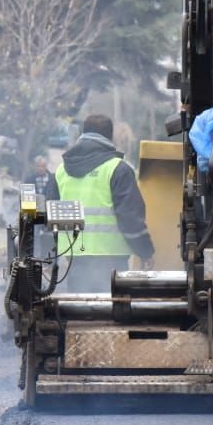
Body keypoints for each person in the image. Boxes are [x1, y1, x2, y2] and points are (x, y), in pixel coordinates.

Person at [54, 114, 155, 292]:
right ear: (110, 137)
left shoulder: (61, 170)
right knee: (110, 313)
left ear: (83, 133)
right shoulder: (118, 168)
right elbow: (130, 216)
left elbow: (55, 212)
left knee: (79, 312)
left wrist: (62, 252)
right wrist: (145, 251)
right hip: (111, 258)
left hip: (75, 258)